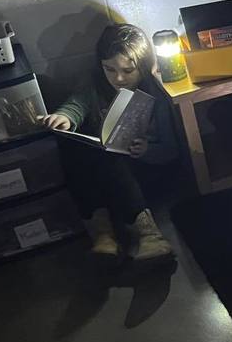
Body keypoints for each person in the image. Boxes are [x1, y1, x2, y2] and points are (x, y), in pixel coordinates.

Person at [41, 24, 178, 262]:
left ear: (142, 67)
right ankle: (103, 235)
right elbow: (77, 104)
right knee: (72, 146)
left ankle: (149, 235)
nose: (119, 78)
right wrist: (63, 117)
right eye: (110, 69)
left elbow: (171, 150)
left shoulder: (155, 95)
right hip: (105, 176)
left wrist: (146, 151)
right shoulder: (95, 85)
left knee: (111, 157)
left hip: (144, 173)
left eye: (128, 70)